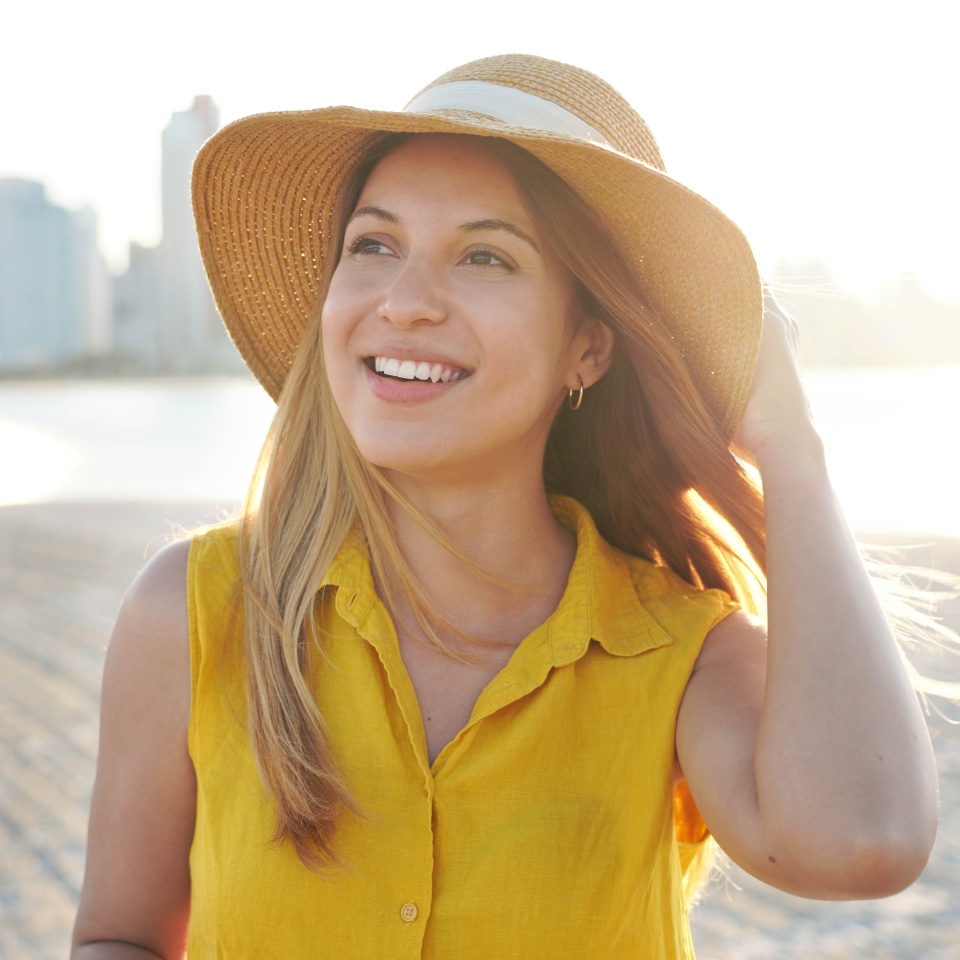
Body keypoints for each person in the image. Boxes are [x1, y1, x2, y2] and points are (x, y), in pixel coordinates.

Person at [71, 55, 941, 959]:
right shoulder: (195, 610)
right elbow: (119, 937)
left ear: (588, 349)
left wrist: (791, 447)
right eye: (373, 244)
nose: (404, 303)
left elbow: (862, 841)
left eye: (485, 256)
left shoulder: (678, 653)